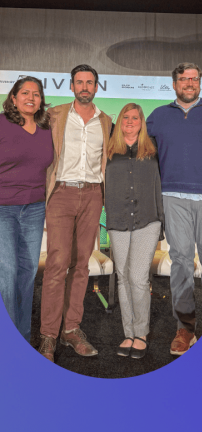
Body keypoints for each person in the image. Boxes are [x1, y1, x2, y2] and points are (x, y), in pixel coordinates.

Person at [147, 62, 202, 356]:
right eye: (183, 79)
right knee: (180, 261)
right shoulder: (158, 117)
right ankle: (185, 328)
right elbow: (141, 153)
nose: (189, 83)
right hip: (173, 196)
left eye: (194, 78)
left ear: (200, 83)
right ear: (174, 84)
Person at [37, 64, 113, 362]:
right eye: (79, 82)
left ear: (97, 87)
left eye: (89, 82)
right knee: (57, 264)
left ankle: (71, 328)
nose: (84, 87)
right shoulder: (53, 115)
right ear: (71, 86)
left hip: (93, 195)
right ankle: (48, 335)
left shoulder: (106, 121)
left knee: (81, 265)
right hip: (61, 194)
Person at [104, 103, 164, 360]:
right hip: (117, 221)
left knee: (138, 278)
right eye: (125, 117)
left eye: (135, 117)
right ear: (120, 122)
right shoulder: (107, 152)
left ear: (142, 122)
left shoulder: (153, 151)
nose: (130, 121)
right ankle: (127, 333)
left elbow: (160, 186)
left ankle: (141, 333)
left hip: (147, 221)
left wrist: (162, 221)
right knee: (122, 278)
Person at [0, 77, 53, 343]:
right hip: (3, 208)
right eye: (25, 93)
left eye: (36, 93)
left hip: (34, 208)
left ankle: (23, 335)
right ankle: (9, 342)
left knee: (28, 270)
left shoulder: (47, 128)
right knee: (7, 271)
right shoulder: (1, 123)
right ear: (13, 97)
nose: (31, 97)